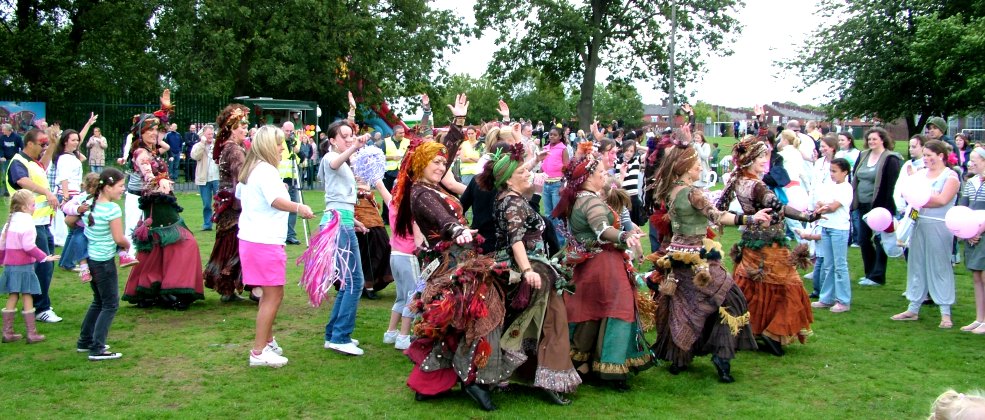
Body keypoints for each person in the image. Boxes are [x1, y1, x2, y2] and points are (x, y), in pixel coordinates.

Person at [400, 94, 517, 411]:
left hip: (461, 260)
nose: (441, 166)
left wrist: (459, 121)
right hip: (451, 266)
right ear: (421, 165)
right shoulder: (421, 193)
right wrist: (459, 230)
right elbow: (443, 220)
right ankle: (474, 380)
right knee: (479, 315)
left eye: (442, 163)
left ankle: (433, 383)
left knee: (456, 325)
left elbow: (446, 153)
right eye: (434, 163)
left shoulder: (433, 185)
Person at [646, 139, 763, 383]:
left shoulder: (671, 190)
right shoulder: (692, 193)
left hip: (676, 255)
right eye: (697, 163)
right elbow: (717, 216)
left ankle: (679, 357)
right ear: (686, 167)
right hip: (696, 256)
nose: (700, 167)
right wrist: (751, 219)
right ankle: (722, 356)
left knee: (684, 305)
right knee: (729, 297)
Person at [478, 143, 581, 404]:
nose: (529, 174)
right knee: (553, 321)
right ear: (509, 179)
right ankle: (551, 379)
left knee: (525, 323)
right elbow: (516, 239)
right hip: (530, 269)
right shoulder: (512, 202)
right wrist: (527, 271)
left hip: (523, 266)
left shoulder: (508, 197)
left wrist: (534, 160)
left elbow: (517, 176)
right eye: (523, 172)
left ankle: (516, 374)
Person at [552, 148, 653, 391]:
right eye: (600, 172)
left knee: (590, 312)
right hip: (603, 266)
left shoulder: (579, 199)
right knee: (618, 310)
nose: (604, 175)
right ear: (588, 178)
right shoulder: (591, 201)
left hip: (589, 265)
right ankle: (611, 369)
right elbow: (601, 229)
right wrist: (623, 235)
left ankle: (584, 362)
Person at [715, 135, 823, 356]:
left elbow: (720, 208)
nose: (766, 160)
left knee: (754, 286)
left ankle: (751, 330)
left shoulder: (737, 181)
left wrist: (745, 217)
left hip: (750, 243)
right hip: (770, 245)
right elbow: (777, 206)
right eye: (762, 157)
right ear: (751, 159)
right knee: (788, 286)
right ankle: (773, 332)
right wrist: (808, 217)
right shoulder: (757, 186)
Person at [237, 125, 315, 368]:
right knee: (273, 295)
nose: (283, 148)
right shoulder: (266, 171)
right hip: (264, 241)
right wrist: (298, 207)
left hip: (253, 239)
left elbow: (242, 195)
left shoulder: (252, 170)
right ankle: (259, 351)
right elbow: (276, 201)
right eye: (279, 144)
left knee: (268, 295)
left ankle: (267, 341)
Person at [122, 92, 205, 310]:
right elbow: (146, 173)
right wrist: (159, 181)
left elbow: (164, 129)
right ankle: (173, 287)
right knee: (184, 242)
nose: (154, 133)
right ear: (141, 133)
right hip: (157, 203)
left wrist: (165, 110)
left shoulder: (153, 149)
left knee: (159, 245)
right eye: (149, 130)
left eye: (155, 130)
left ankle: (152, 287)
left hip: (160, 203)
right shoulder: (141, 153)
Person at [891, 140, 959, 328]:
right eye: (925, 155)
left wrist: (923, 199)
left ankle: (945, 312)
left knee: (939, 266)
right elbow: (909, 196)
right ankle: (913, 307)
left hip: (939, 225)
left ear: (941, 156)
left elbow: (943, 199)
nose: (927, 159)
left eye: (930, 155)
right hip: (918, 223)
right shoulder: (921, 175)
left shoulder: (950, 176)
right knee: (916, 264)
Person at [319, 118, 371, 356]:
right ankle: (340, 336)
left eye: (351, 135)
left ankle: (334, 334)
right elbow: (334, 164)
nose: (350, 139)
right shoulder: (330, 157)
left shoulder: (341, 159)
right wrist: (355, 147)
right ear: (332, 140)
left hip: (342, 221)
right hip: (338, 224)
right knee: (354, 281)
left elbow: (340, 200)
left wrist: (355, 221)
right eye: (344, 136)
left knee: (350, 280)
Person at [6, 128, 61, 323]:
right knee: (43, 265)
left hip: (42, 222)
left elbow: (43, 166)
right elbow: (21, 180)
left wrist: (53, 143)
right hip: (31, 223)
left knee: (46, 264)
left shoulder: (32, 162)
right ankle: (41, 308)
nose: (43, 147)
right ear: (29, 144)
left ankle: (40, 304)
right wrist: (46, 191)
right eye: (41, 144)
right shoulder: (18, 162)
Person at [76, 169, 129, 360]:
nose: (123, 189)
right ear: (107, 187)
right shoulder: (112, 209)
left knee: (98, 301)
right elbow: (118, 238)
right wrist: (127, 244)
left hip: (90, 259)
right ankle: (97, 348)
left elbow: (70, 221)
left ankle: (85, 341)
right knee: (110, 304)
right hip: (104, 262)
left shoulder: (89, 204)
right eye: (120, 186)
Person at [0, 190, 60, 344]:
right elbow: (28, 246)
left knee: (13, 295)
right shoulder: (27, 222)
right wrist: (45, 257)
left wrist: (2, 260)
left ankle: (7, 332)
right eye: (33, 205)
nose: (35, 208)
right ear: (25, 207)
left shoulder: (10, 221)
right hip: (24, 266)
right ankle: (31, 333)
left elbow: (2, 244)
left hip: (10, 266)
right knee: (27, 295)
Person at [204, 105, 250, 302]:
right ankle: (228, 288)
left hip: (228, 204)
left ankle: (229, 289)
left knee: (229, 244)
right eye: (242, 125)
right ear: (231, 128)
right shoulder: (234, 150)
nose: (245, 129)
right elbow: (243, 176)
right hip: (233, 206)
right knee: (234, 245)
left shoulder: (228, 148)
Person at [853, 128, 903, 287]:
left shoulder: (890, 159)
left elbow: (891, 185)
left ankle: (878, 275)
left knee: (881, 239)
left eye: (875, 139)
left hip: (880, 206)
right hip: (862, 203)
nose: (871, 142)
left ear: (882, 140)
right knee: (863, 239)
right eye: (869, 139)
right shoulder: (863, 155)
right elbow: (855, 175)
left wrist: (885, 207)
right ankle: (869, 272)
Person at [809, 158, 854, 313]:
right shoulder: (830, 186)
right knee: (829, 265)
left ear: (845, 172)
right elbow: (821, 202)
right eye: (831, 171)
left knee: (840, 265)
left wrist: (823, 207)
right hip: (826, 226)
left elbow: (833, 206)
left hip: (839, 229)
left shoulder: (846, 188)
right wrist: (823, 206)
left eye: (835, 171)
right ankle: (827, 298)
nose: (832, 174)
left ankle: (843, 300)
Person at [541, 127, 569, 245]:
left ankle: (561, 242)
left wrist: (563, 183)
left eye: (554, 135)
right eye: (550, 135)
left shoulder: (563, 149)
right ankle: (551, 240)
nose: (551, 137)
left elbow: (567, 167)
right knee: (548, 214)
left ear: (560, 136)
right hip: (546, 183)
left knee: (557, 214)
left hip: (557, 184)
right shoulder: (546, 148)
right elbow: (542, 164)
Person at [190, 124, 219, 231]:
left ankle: (220, 223)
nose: (210, 136)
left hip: (216, 177)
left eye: (212, 134)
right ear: (203, 135)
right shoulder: (198, 145)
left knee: (219, 203)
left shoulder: (218, 144)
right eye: (208, 134)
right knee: (206, 203)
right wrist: (202, 143)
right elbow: (195, 156)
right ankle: (207, 224)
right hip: (204, 178)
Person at [279, 121, 303, 245]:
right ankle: (280, 233)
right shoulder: (277, 141)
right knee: (280, 208)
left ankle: (290, 234)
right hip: (280, 179)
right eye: (286, 131)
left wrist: (297, 150)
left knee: (293, 207)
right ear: (282, 129)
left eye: (291, 131)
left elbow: (302, 157)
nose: (289, 133)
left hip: (293, 178)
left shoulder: (296, 141)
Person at [0, 123, 24, 197]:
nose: (2, 131)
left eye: (4, 130)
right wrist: (2, 156)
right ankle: (5, 191)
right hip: (5, 160)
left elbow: (22, 147)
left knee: (14, 176)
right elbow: (1, 148)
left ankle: (15, 190)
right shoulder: (2, 138)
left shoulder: (17, 137)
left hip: (14, 160)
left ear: (8, 130)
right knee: (5, 176)